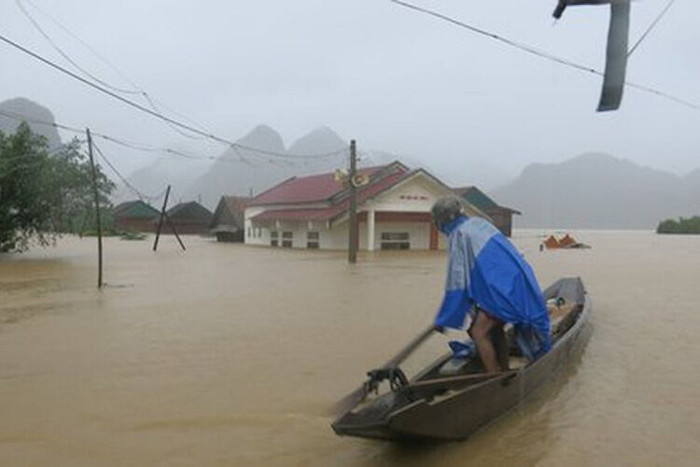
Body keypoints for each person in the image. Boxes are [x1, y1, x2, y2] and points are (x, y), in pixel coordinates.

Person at [431, 196, 550, 373]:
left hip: (500, 290)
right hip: (517, 281)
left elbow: (458, 281)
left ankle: (493, 377)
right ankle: (503, 369)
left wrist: (444, 319)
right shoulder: (479, 223)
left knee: (478, 332)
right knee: (495, 329)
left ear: (442, 219)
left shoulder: (459, 234)